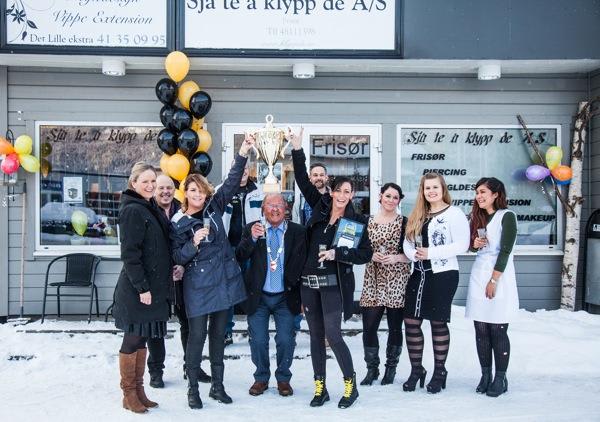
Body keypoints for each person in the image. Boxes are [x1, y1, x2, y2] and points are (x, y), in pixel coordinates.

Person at [289, 128, 372, 409]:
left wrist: (340, 253)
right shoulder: (320, 206)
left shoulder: (356, 222)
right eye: (339, 190)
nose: (342, 195)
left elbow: (365, 254)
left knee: (333, 336)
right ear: (332, 191)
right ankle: (320, 387)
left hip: (333, 286)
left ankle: (350, 385)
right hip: (308, 284)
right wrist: (297, 148)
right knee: (315, 336)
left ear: (352, 195)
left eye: (348, 192)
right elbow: (302, 179)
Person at [170, 136, 255, 409]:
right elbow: (177, 257)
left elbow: (231, 182)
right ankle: (193, 389)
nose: (197, 195)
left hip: (222, 281)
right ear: (185, 193)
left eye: (201, 190)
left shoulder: (214, 207)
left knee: (218, 336)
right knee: (197, 337)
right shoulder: (179, 222)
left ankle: (218, 386)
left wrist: (242, 152)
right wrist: (193, 245)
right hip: (197, 285)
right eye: (192, 190)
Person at [402, 172, 469, 394]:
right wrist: (413, 254)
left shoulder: (454, 214)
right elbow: (407, 243)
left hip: (443, 274)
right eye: (427, 188)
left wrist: (431, 253)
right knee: (411, 321)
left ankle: (440, 371)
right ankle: (417, 370)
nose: (431, 191)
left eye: (435, 187)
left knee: (438, 322)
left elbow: (462, 244)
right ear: (422, 191)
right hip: (419, 274)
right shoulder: (418, 214)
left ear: (443, 189)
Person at [113, 162, 171, 414]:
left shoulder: (148, 207)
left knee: (143, 338)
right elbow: (130, 255)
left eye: (153, 181)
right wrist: (142, 288)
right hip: (138, 289)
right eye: (145, 181)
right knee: (133, 338)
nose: (150, 185)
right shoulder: (132, 211)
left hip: (153, 288)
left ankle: (139, 390)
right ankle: (128, 394)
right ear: (133, 183)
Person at [235, 193, 306, 397]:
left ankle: (283, 378)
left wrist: (304, 297)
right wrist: (252, 238)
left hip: (286, 296)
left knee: (286, 339)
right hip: (259, 296)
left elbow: (303, 265)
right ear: (263, 209)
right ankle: (261, 378)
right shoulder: (252, 228)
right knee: (258, 340)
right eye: (270, 205)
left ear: (286, 209)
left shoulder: (298, 232)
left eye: (279, 205)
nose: (275, 209)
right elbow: (239, 256)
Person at [146, 174, 211, 388]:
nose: (165, 191)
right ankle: (156, 370)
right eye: (161, 188)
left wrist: (182, 265)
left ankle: (191, 366)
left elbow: (187, 245)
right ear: (154, 190)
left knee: (188, 324)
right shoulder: (148, 211)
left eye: (169, 188)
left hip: (182, 276)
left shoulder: (181, 210)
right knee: (156, 325)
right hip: (157, 277)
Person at [465, 177, 519, 398]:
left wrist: (494, 280)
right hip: (479, 273)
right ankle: (485, 375)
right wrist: (474, 244)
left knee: (497, 328)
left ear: (496, 194)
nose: (479, 196)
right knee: (481, 328)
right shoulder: (476, 217)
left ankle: (500, 377)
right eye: (477, 192)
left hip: (499, 275)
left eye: (483, 192)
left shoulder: (507, 216)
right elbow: (470, 247)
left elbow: (505, 251)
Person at [359, 182, 411, 386]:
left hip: (397, 278)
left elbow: (414, 253)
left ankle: (391, 368)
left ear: (399, 201)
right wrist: (371, 255)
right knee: (369, 327)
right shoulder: (367, 221)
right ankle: (372, 369)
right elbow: (359, 250)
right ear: (380, 196)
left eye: (395, 197)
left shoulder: (404, 223)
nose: (391, 200)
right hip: (373, 277)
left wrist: (397, 257)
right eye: (387, 196)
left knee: (395, 327)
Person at [220, 159, 264, 347]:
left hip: (252, 247)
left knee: (253, 290)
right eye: (239, 167)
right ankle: (226, 332)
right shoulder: (222, 190)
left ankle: (254, 331)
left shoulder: (258, 191)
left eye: (246, 167)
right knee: (228, 292)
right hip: (228, 248)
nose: (243, 171)